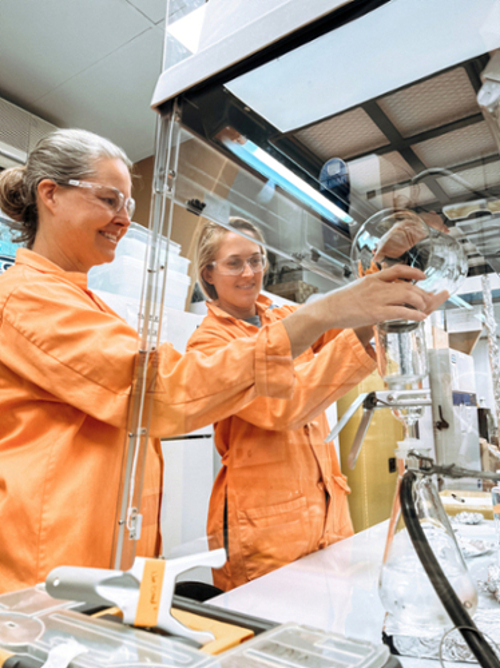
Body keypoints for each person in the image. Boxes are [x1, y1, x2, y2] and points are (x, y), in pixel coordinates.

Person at [0, 129, 444, 595]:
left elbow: (347, 326)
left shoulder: (86, 303)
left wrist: (382, 275)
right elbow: (161, 392)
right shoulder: (28, 298)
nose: (123, 220)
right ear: (50, 194)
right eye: (110, 200)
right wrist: (323, 312)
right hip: (52, 566)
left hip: (108, 558)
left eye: (128, 206)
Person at [186, 218, 448, 590]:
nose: (249, 273)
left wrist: (385, 266)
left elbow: (350, 324)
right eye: (234, 263)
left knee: (334, 631)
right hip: (264, 530)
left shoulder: (283, 319)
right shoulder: (209, 344)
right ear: (207, 272)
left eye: (257, 260)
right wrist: (361, 314)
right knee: (277, 639)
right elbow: (283, 407)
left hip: (328, 514)